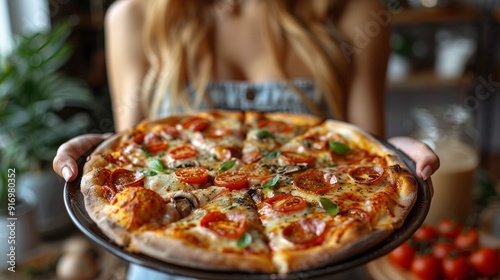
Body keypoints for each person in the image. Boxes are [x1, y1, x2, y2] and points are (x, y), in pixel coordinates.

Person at [53, 0, 439, 279]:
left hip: (323, 267)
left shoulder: (355, 10)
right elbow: (131, 148)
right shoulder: (132, 15)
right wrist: (102, 150)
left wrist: (396, 154)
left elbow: (369, 154)